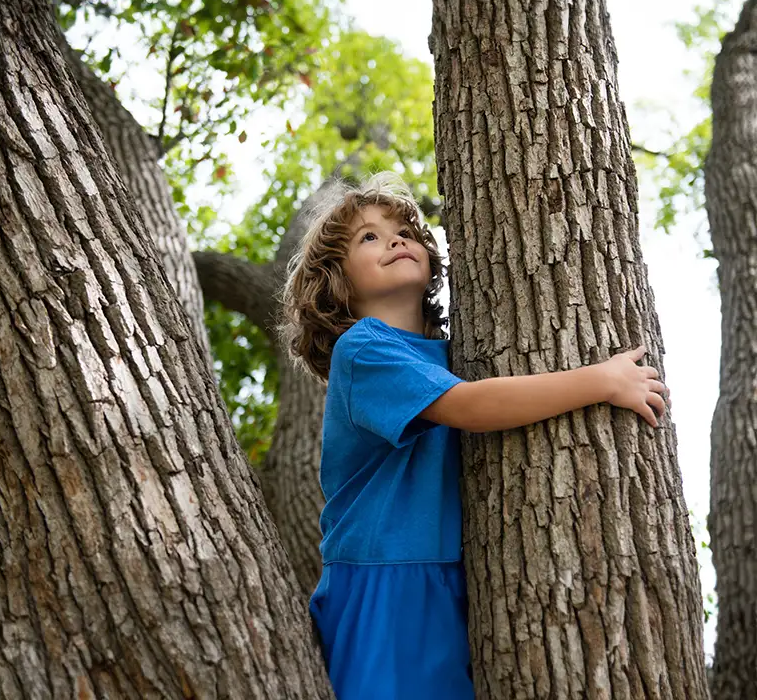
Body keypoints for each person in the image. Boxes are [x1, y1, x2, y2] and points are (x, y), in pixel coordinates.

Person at [278, 171, 669, 700]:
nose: (396, 239)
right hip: (388, 579)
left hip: (461, 575)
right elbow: (470, 407)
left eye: (405, 232)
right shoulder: (363, 349)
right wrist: (600, 380)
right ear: (337, 282)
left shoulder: (455, 353)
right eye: (369, 237)